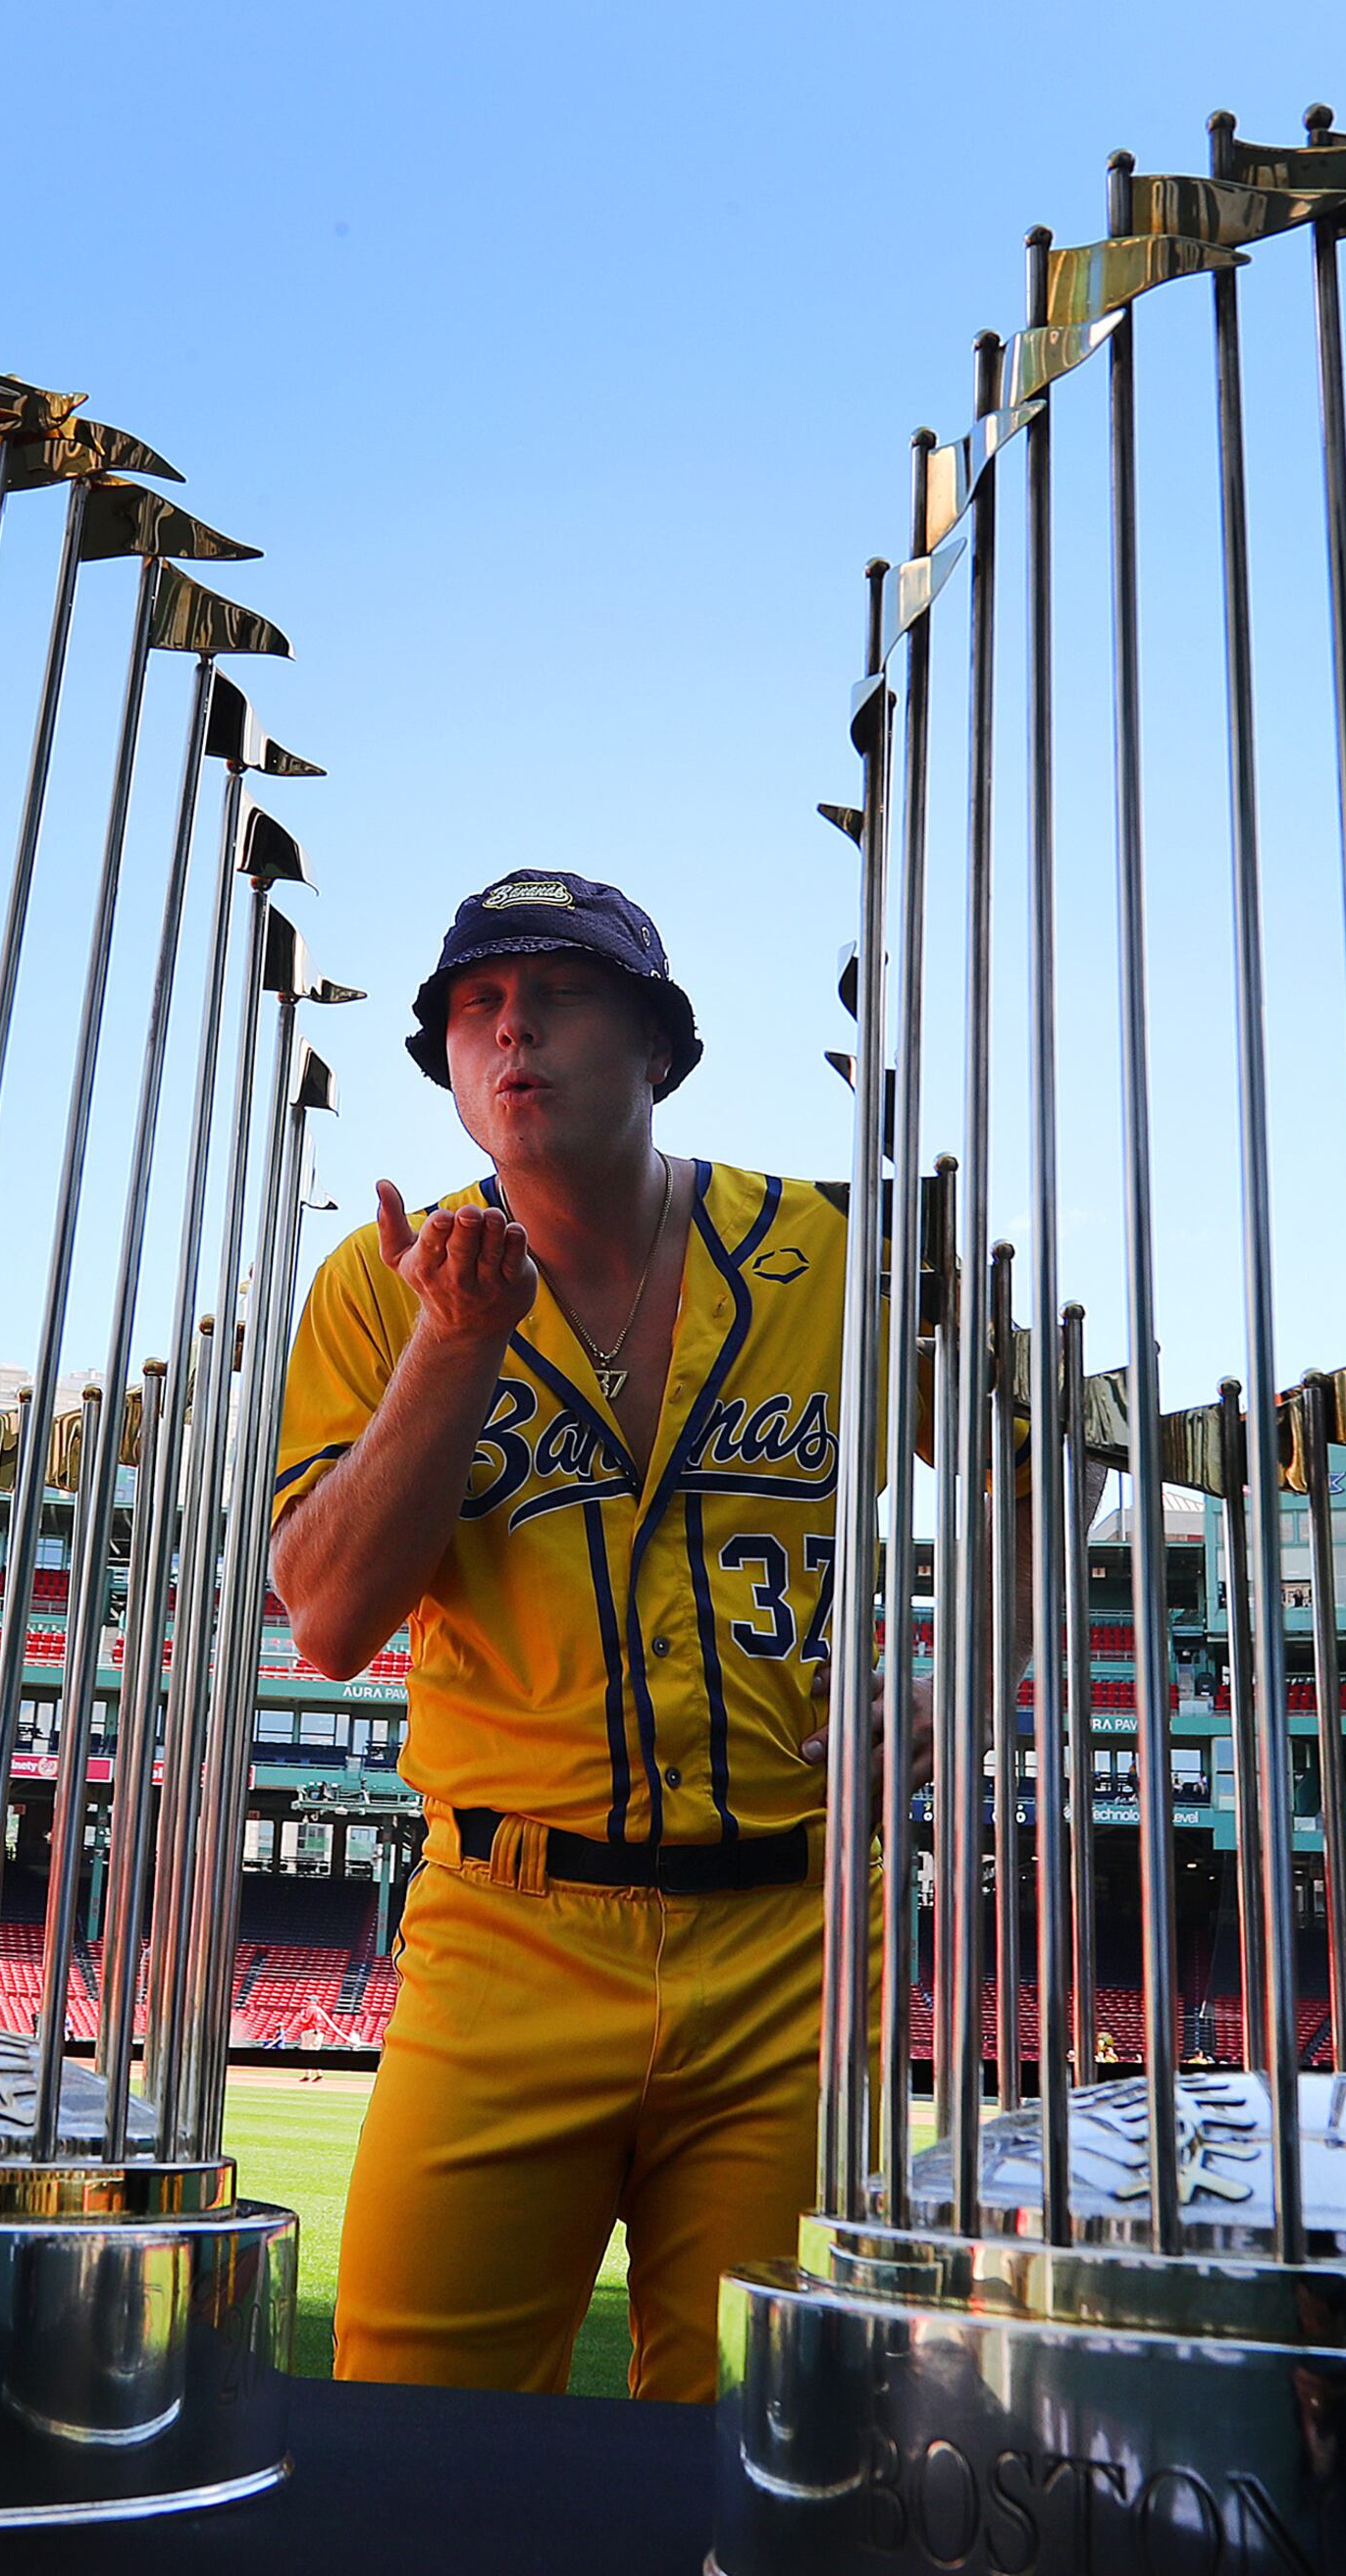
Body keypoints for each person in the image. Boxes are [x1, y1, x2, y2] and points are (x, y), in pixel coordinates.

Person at [275, 871, 966, 2403]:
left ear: (659, 1044)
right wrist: (455, 1347)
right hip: (505, 1924)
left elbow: (1058, 1458)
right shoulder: (380, 1289)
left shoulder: (829, 1253)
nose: (511, 1029)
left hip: (795, 1943)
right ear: (450, 1068)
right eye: (475, 1007)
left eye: (559, 994)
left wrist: (959, 1670)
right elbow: (326, 1618)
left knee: (788, 2439)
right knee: (415, 2442)